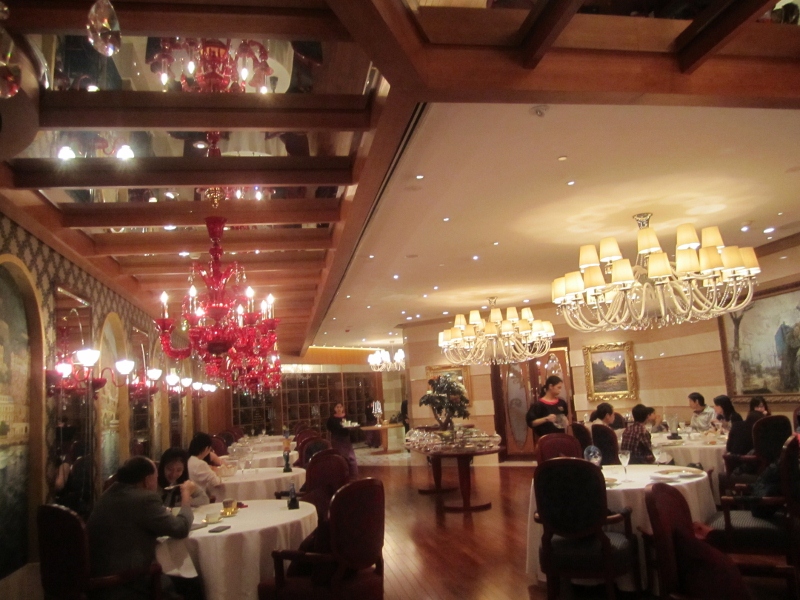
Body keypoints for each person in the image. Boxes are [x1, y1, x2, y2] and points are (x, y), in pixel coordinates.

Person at [87, 456, 195, 600]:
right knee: (192, 582)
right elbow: (181, 528)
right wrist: (186, 497)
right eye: (156, 478)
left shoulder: (107, 495)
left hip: (98, 583)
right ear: (147, 480)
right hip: (127, 584)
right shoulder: (144, 499)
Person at [187, 432, 224, 503]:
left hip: (190, 497)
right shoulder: (200, 464)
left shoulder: (189, 460)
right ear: (207, 448)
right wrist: (215, 473)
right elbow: (216, 482)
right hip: (199, 500)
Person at [327, 402, 358, 478]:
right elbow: (329, 428)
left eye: (340, 407)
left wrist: (350, 428)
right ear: (334, 409)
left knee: (351, 457)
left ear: (343, 408)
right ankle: (341, 475)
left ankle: (353, 475)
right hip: (336, 439)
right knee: (340, 456)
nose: (339, 409)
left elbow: (351, 425)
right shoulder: (331, 419)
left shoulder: (347, 417)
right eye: (337, 407)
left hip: (346, 439)